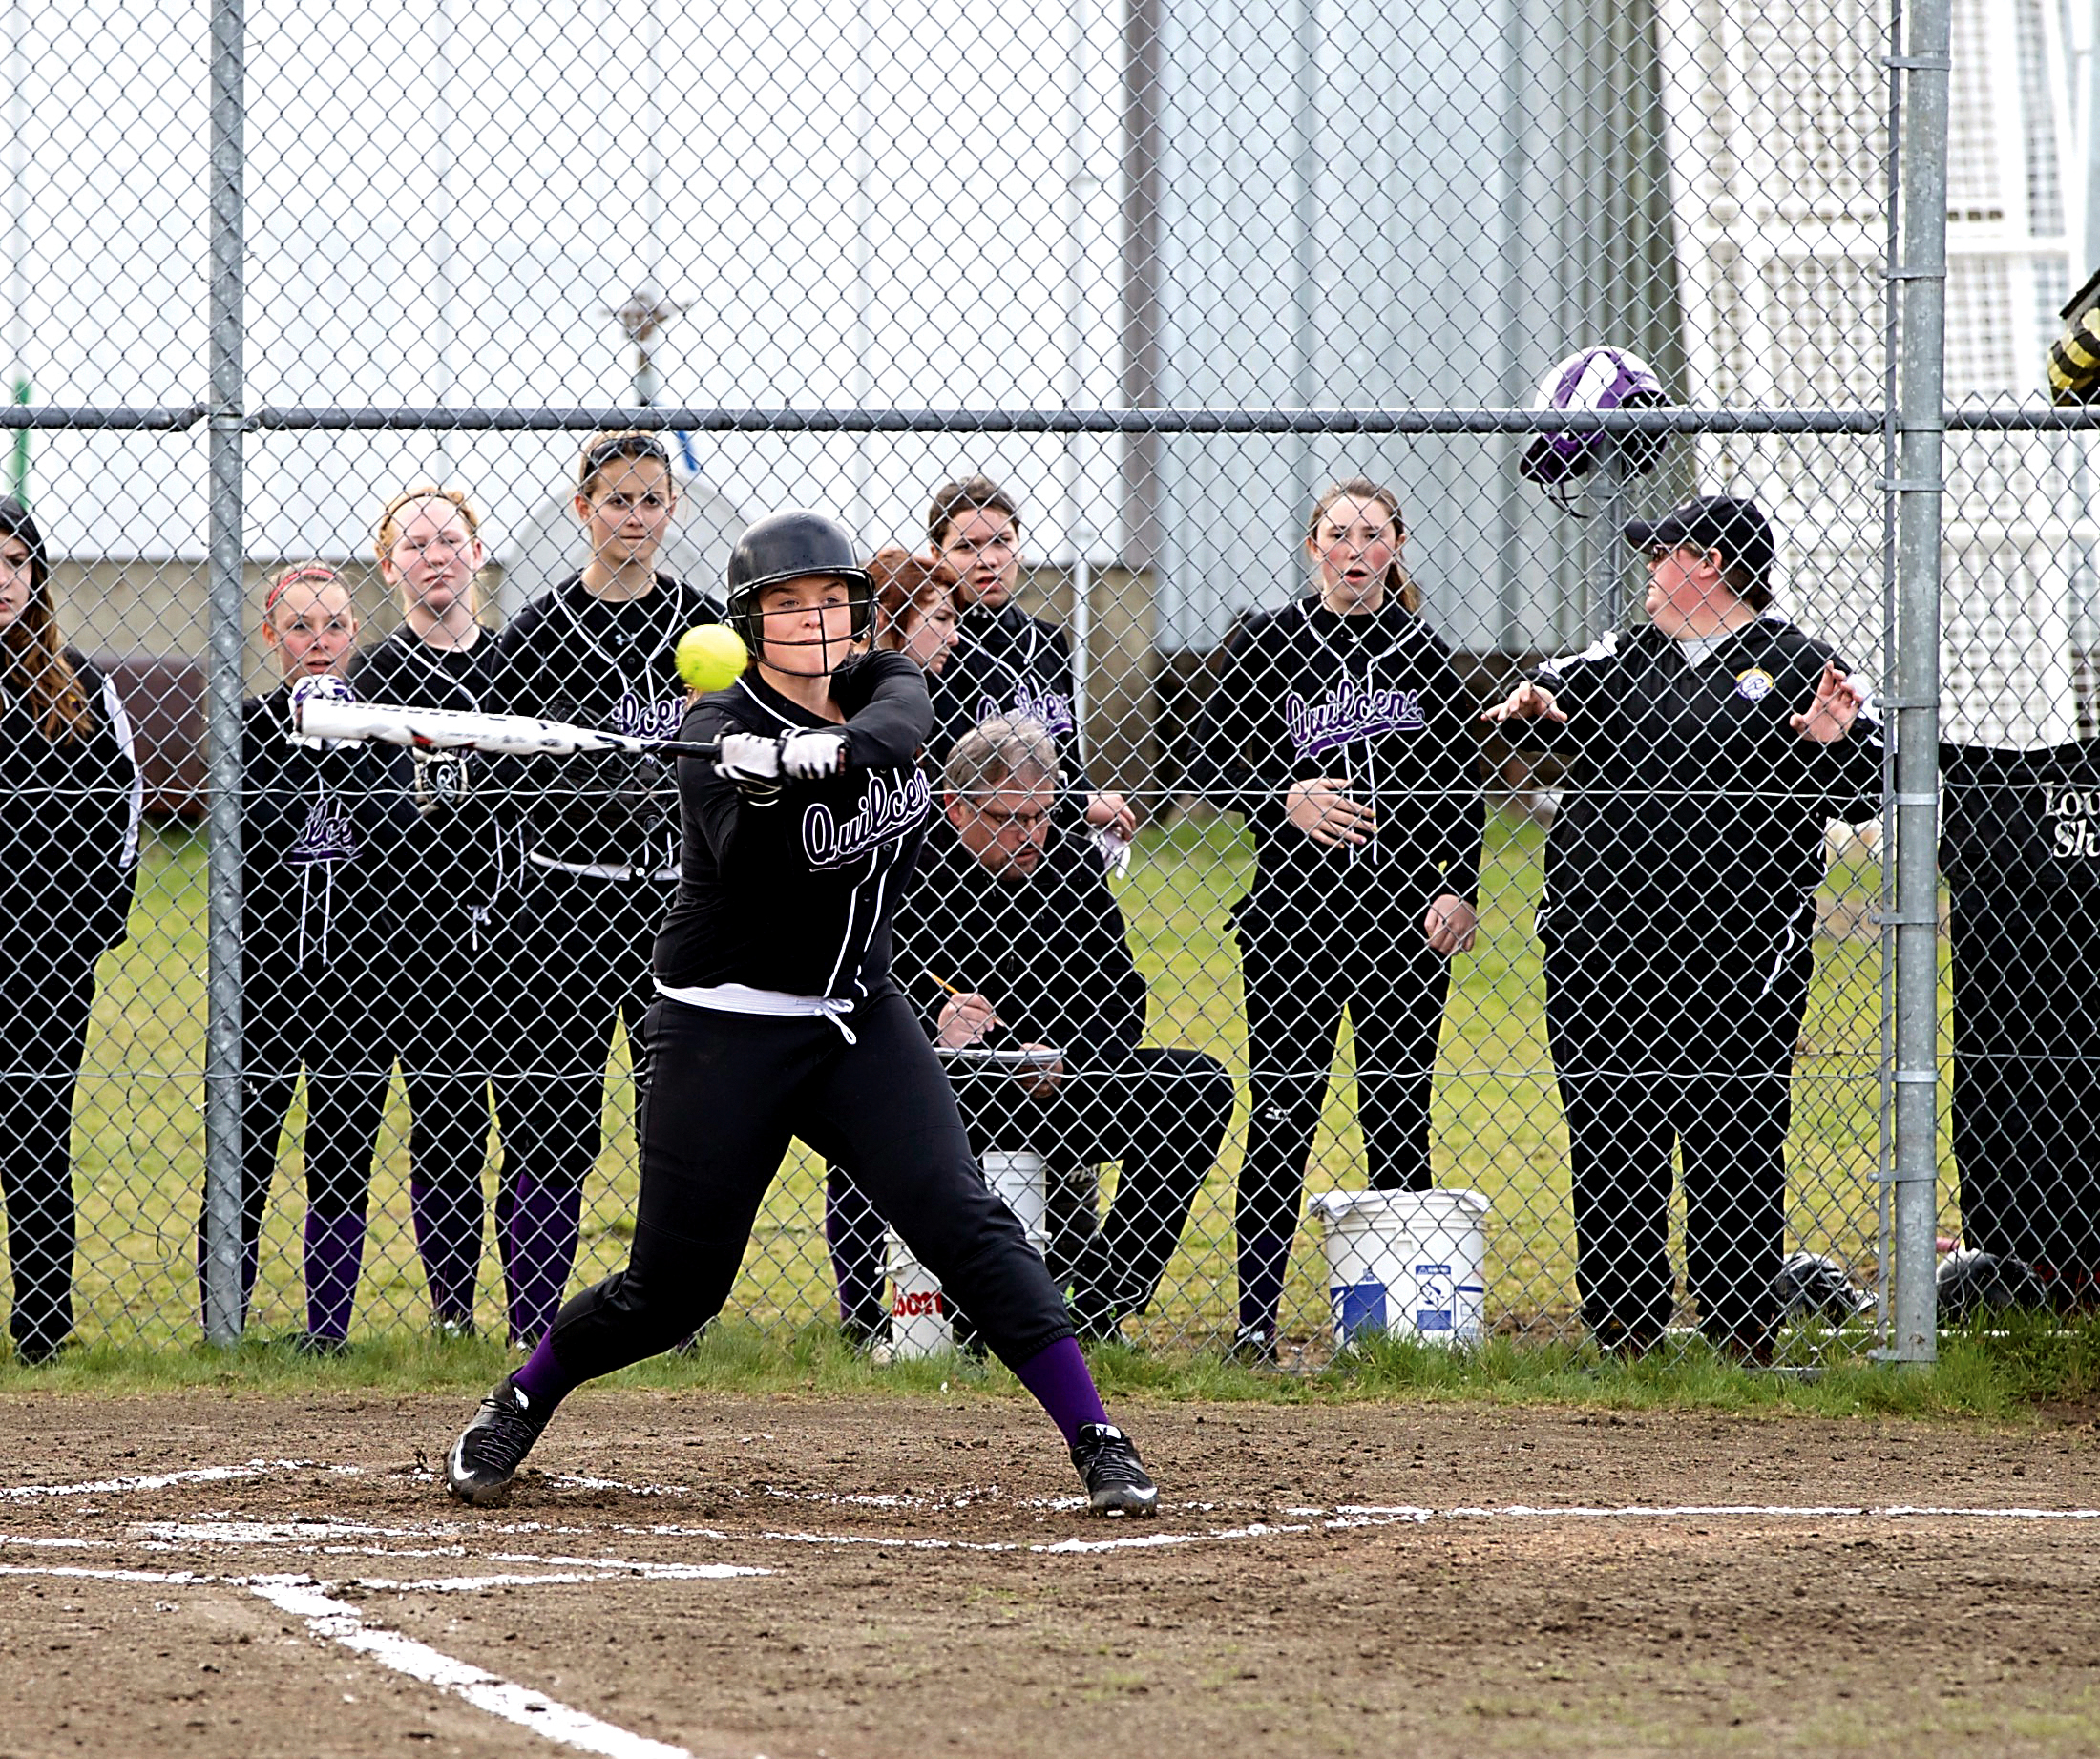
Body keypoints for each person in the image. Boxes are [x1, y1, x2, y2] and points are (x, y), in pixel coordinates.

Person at [444, 509, 1160, 1517]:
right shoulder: (711, 734)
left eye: (832, 600)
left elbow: (900, 724)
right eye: (789, 606)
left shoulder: (882, 682)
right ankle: (524, 1394)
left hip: (858, 1017)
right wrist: (763, 775)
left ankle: (1098, 1435)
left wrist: (823, 756)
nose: (817, 622)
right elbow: (757, 868)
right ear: (748, 625)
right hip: (722, 1027)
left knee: (965, 1222)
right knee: (673, 1290)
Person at [1482, 493, 1878, 1364]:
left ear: (1709, 563)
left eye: (1661, 555)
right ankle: (1624, 1329)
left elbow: (1865, 790)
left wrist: (1824, 742)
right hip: (1601, 943)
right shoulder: (1621, 655)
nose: (1648, 572)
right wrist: (1531, 703)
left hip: (1738, 953)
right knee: (1610, 1129)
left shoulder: (1803, 661)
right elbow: (1537, 695)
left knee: (1734, 1131)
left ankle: (1743, 1333)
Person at [1186, 478, 1483, 1364]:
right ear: (1314, 546)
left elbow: (1460, 786)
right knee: (1283, 1114)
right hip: (1292, 919)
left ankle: (1395, 1325)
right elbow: (1203, 753)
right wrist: (1283, 793)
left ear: (1396, 546)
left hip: (1401, 922)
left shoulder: (1422, 653)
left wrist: (1457, 886)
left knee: (1398, 1113)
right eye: (1339, 534)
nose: (1355, 551)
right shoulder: (1269, 643)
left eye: (1373, 535)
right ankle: (1254, 1325)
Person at [489, 431, 724, 1347]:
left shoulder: (706, 629)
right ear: (584, 509)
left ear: (674, 509)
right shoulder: (540, 632)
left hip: (679, 896)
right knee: (553, 1108)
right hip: (568, 896)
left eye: (650, 500)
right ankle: (535, 1316)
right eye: (616, 500)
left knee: (679, 1114)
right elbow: (507, 772)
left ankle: (678, 1309)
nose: (633, 517)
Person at [894, 716, 1235, 1341]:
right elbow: (869, 992)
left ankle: (1101, 1297)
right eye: (1011, 818)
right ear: (956, 808)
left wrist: (1067, 1057)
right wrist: (933, 1023)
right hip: (953, 1090)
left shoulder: (1069, 860)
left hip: (1063, 1078)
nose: (1032, 834)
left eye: (1043, 815)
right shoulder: (909, 870)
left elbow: (1122, 995)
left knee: (1199, 1085)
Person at [349, 486, 520, 1337]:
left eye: (449, 540)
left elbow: (531, 794)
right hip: (420, 934)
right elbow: (375, 811)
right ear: (390, 566)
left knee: (534, 1116)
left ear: (477, 553)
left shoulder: (513, 663)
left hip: (518, 927)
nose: (435, 557)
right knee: (446, 1120)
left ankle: (532, 1309)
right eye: (414, 546)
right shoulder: (374, 676)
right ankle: (453, 1311)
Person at [213, 562, 394, 1351]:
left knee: (342, 1151)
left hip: (357, 980)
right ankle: (225, 1315)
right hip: (263, 978)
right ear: (270, 634)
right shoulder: (245, 725)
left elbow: (395, 840)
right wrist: (296, 739)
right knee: (242, 1147)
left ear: (356, 633)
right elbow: (239, 838)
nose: (317, 643)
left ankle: (329, 1327)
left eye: (332, 626)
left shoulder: (383, 725)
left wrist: (346, 742)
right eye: (298, 627)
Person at [0, 498, 140, 1363]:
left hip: (46, 960)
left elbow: (118, 812)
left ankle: (43, 1327)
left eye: (17, 563)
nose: (4, 581)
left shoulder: (77, 683)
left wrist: (85, 929)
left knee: (37, 1131)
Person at [822, 546, 962, 1339]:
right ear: (889, 625)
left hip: (901, 941)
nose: (951, 635)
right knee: (854, 1133)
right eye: (937, 618)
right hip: (857, 951)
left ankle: (926, 1307)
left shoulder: (929, 705)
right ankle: (858, 1308)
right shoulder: (848, 713)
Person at [924, 475, 1136, 841]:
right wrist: (1081, 805)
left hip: (1050, 840)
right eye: (965, 546)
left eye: (1001, 541)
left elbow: (1068, 758)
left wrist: (1090, 809)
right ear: (936, 555)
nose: (987, 559)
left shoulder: (1048, 640)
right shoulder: (936, 646)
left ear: (1019, 547)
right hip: (967, 852)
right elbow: (954, 782)